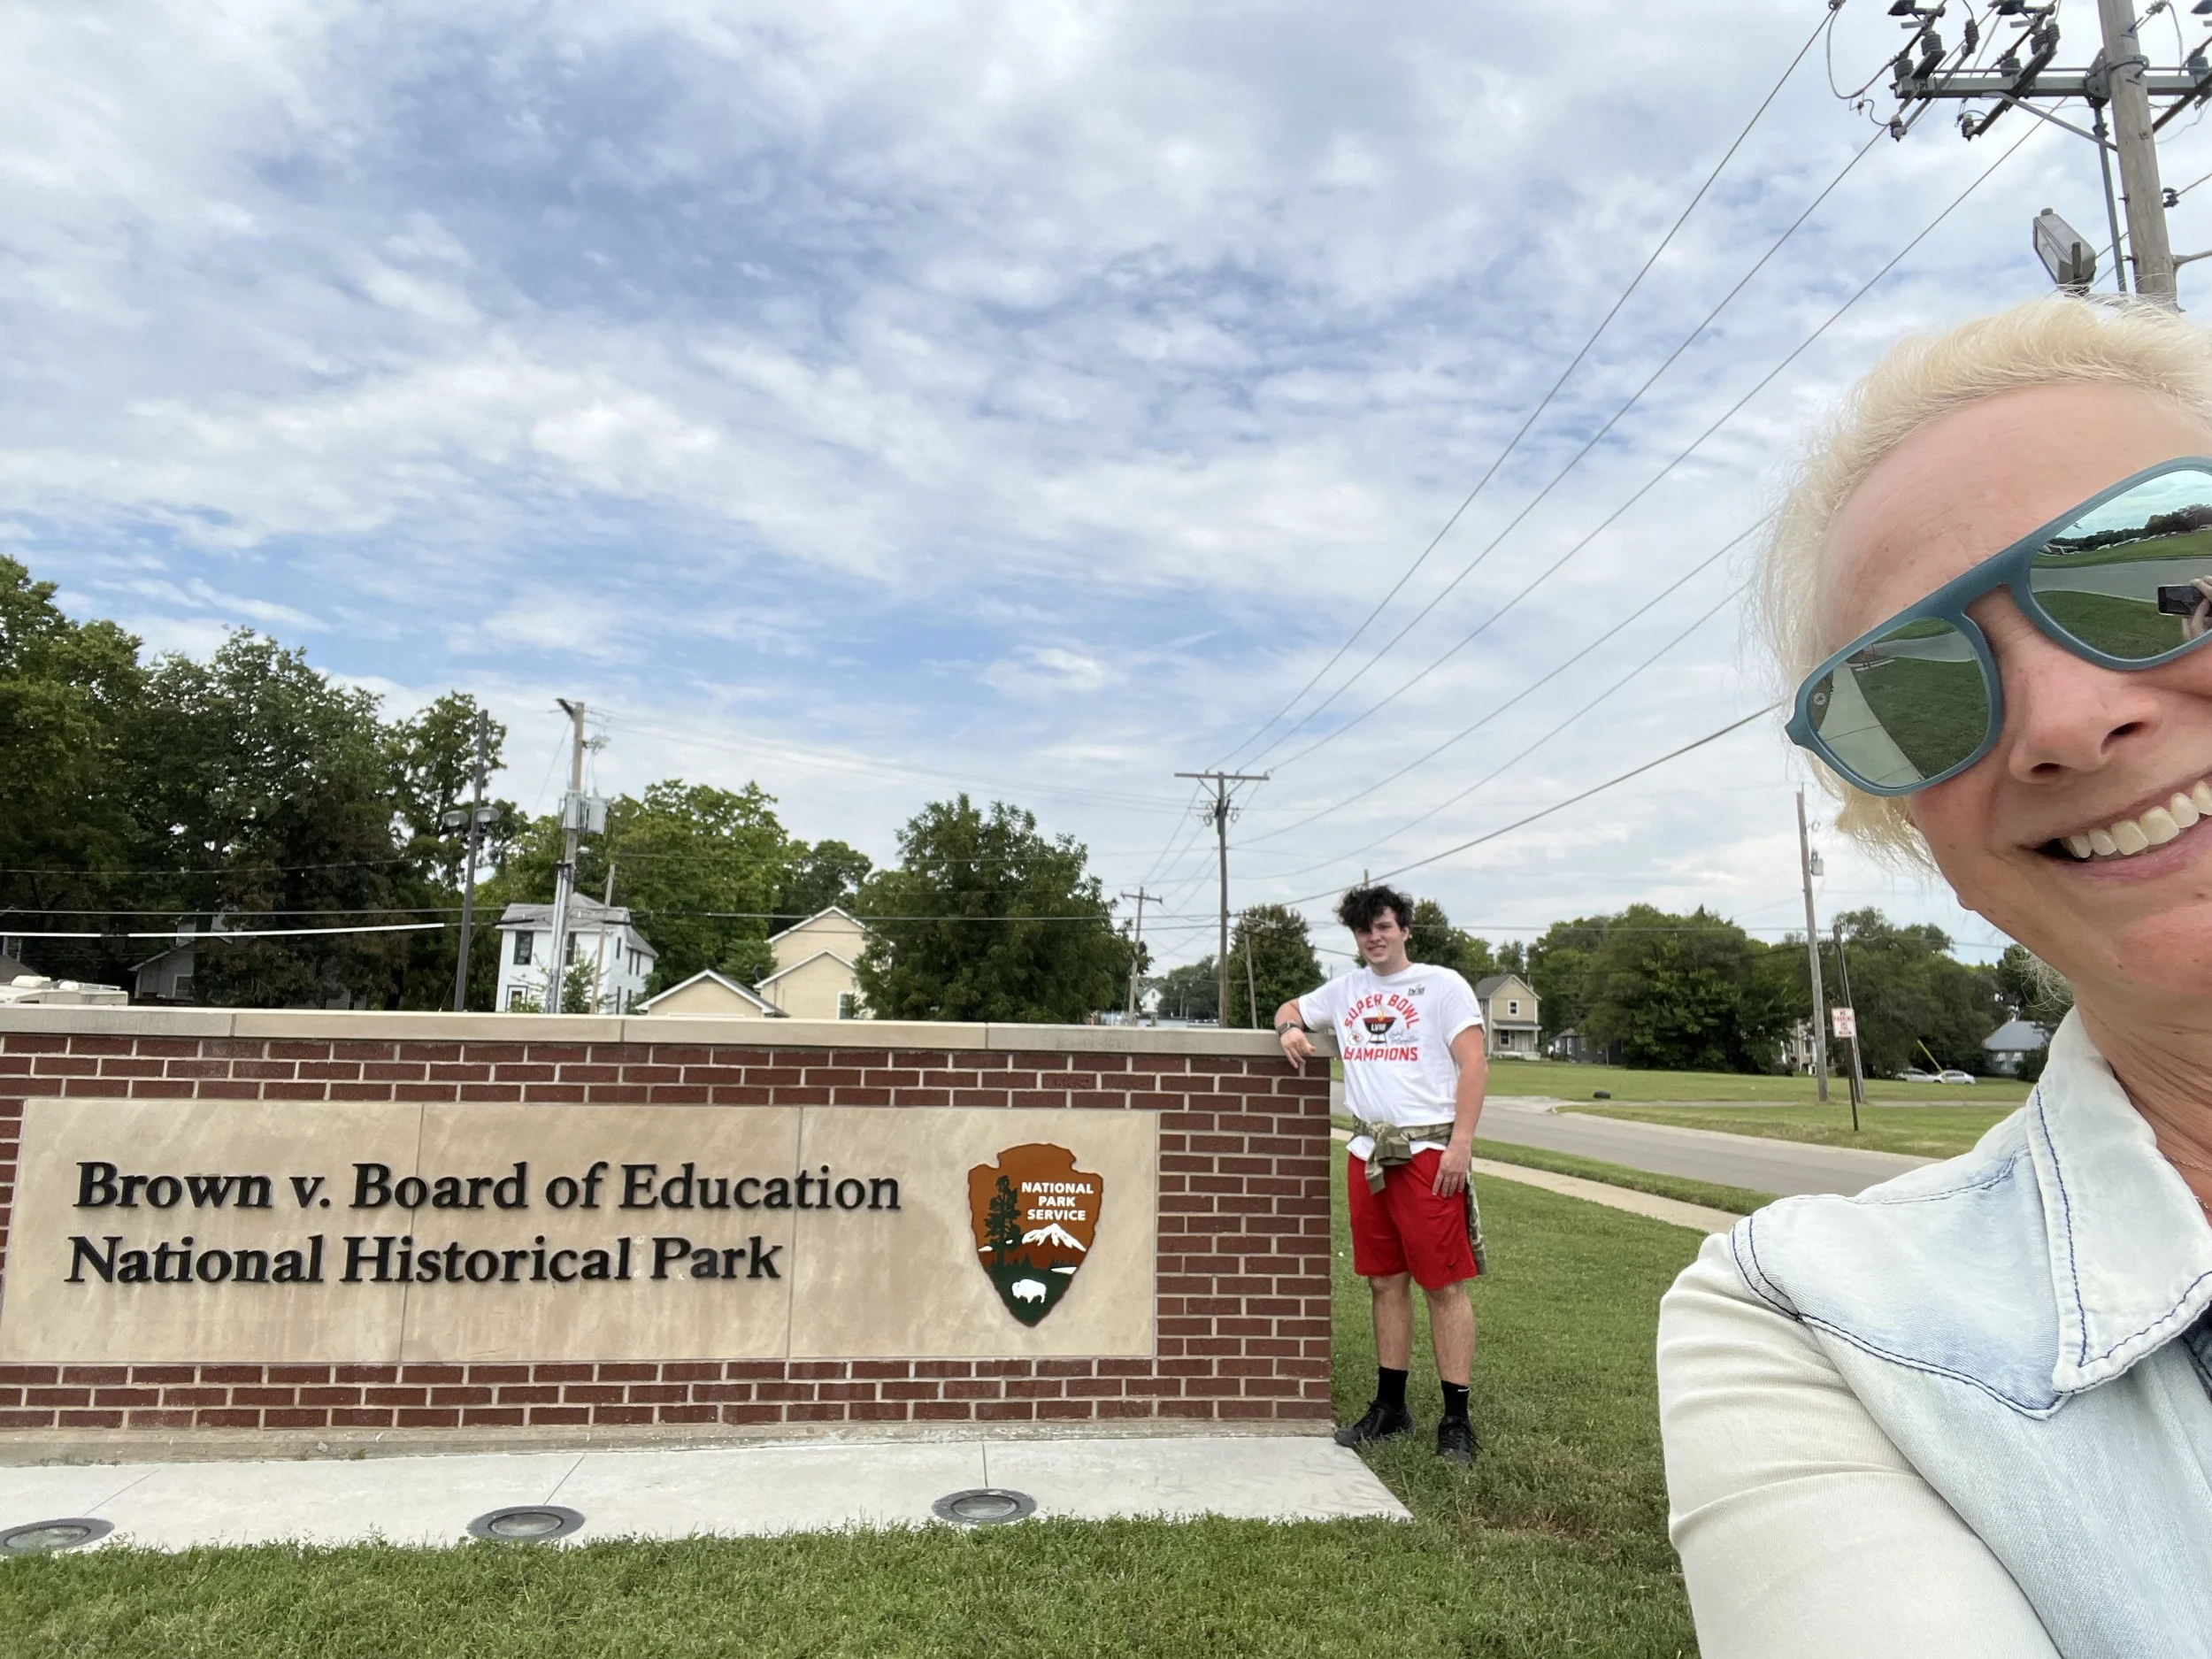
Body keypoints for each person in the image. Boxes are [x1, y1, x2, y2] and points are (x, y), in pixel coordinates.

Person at [1659, 296, 2212, 1657]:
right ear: (1926, 841)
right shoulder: (1820, 1321)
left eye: (2156, 571)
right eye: (1915, 692)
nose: (2068, 723)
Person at [1275, 883, 1488, 1464]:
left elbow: (1474, 1062)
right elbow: (1290, 1009)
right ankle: (1390, 1406)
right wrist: (1289, 1029)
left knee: (1442, 1283)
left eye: (1385, 926)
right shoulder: (1347, 991)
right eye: (1364, 929)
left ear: (1405, 929)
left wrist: (1461, 1144)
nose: (1375, 937)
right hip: (1369, 1151)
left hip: (1427, 1153)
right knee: (1384, 1281)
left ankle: (1457, 1418)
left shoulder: (1442, 985)